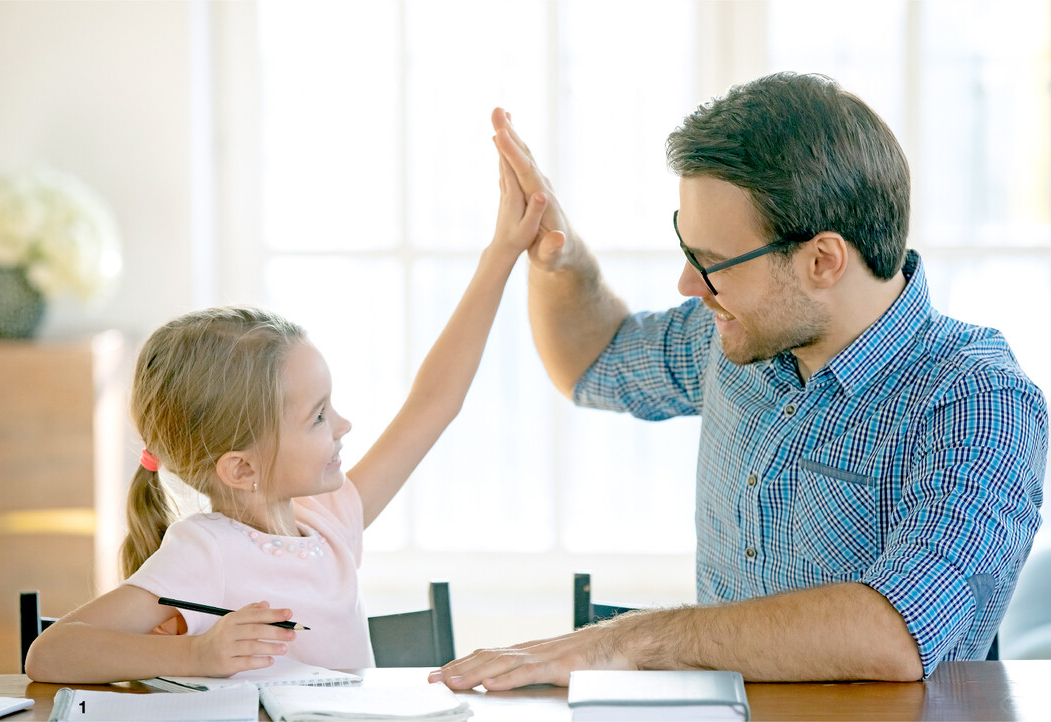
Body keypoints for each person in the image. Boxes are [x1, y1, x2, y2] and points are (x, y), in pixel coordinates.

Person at [431, 72, 1047, 690]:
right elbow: (593, 359)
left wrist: (625, 641)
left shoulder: (977, 400)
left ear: (822, 260)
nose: (688, 285)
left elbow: (898, 633)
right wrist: (558, 255)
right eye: (687, 249)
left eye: (715, 264)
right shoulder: (736, 337)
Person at [24, 153, 550, 684]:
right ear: (241, 469)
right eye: (318, 416)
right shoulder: (205, 551)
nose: (343, 425)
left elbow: (434, 403)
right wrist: (195, 656)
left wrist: (502, 252)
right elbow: (49, 654)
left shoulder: (330, 519)